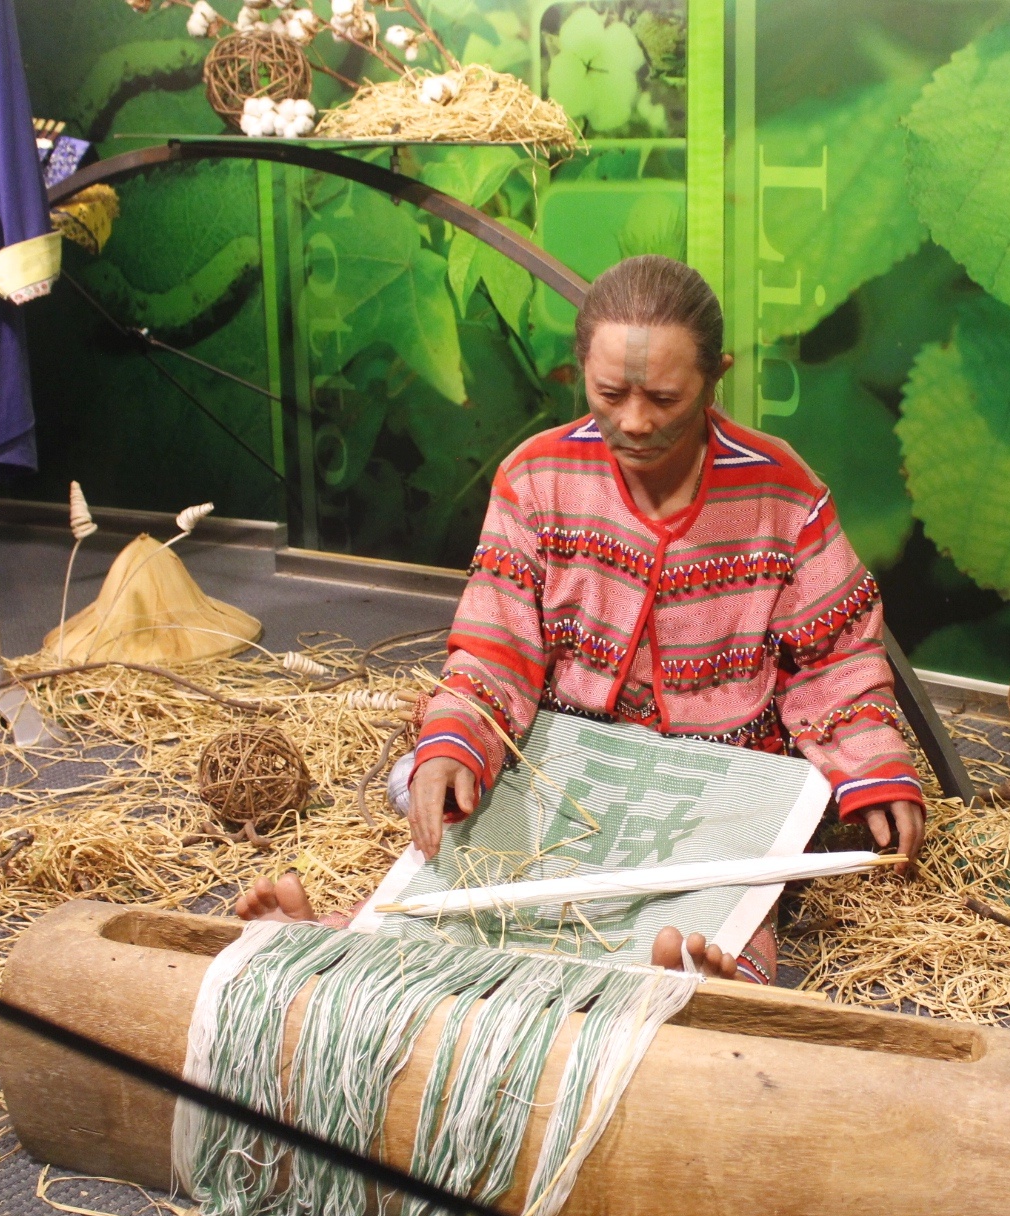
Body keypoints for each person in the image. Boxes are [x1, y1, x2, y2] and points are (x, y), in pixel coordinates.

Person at [236, 255, 925, 980]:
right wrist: (457, 739)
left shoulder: (780, 490)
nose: (635, 421)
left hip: (718, 774)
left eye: (664, 397)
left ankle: (705, 978)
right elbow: (496, 644)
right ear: (578, 372)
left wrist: (871, 765)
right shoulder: (535, 478)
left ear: (716, 374)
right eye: (610, 393)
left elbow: (834, 653)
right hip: (564, 758)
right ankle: (342, 946)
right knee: (474, 843)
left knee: (723, 889)